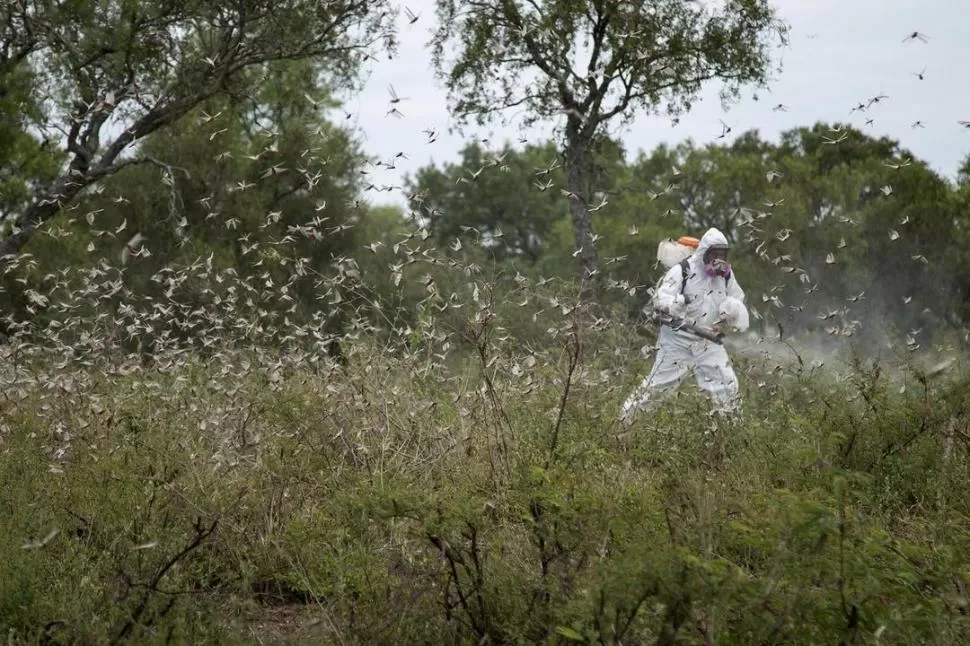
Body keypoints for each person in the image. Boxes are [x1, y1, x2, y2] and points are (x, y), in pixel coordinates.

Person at [621, 227, 750, 423]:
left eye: (722, 254)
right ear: (704, 252)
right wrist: (678, 303)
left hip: (708, 342)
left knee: (728, 387)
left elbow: (738, 297)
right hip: (677, 342)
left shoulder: (726, 276)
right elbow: (660, 300)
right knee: (655, 390)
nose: (718, 259)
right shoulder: (682, 270)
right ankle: (622, 425)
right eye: (714, 254)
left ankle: (731, 438)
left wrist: (733, 310)